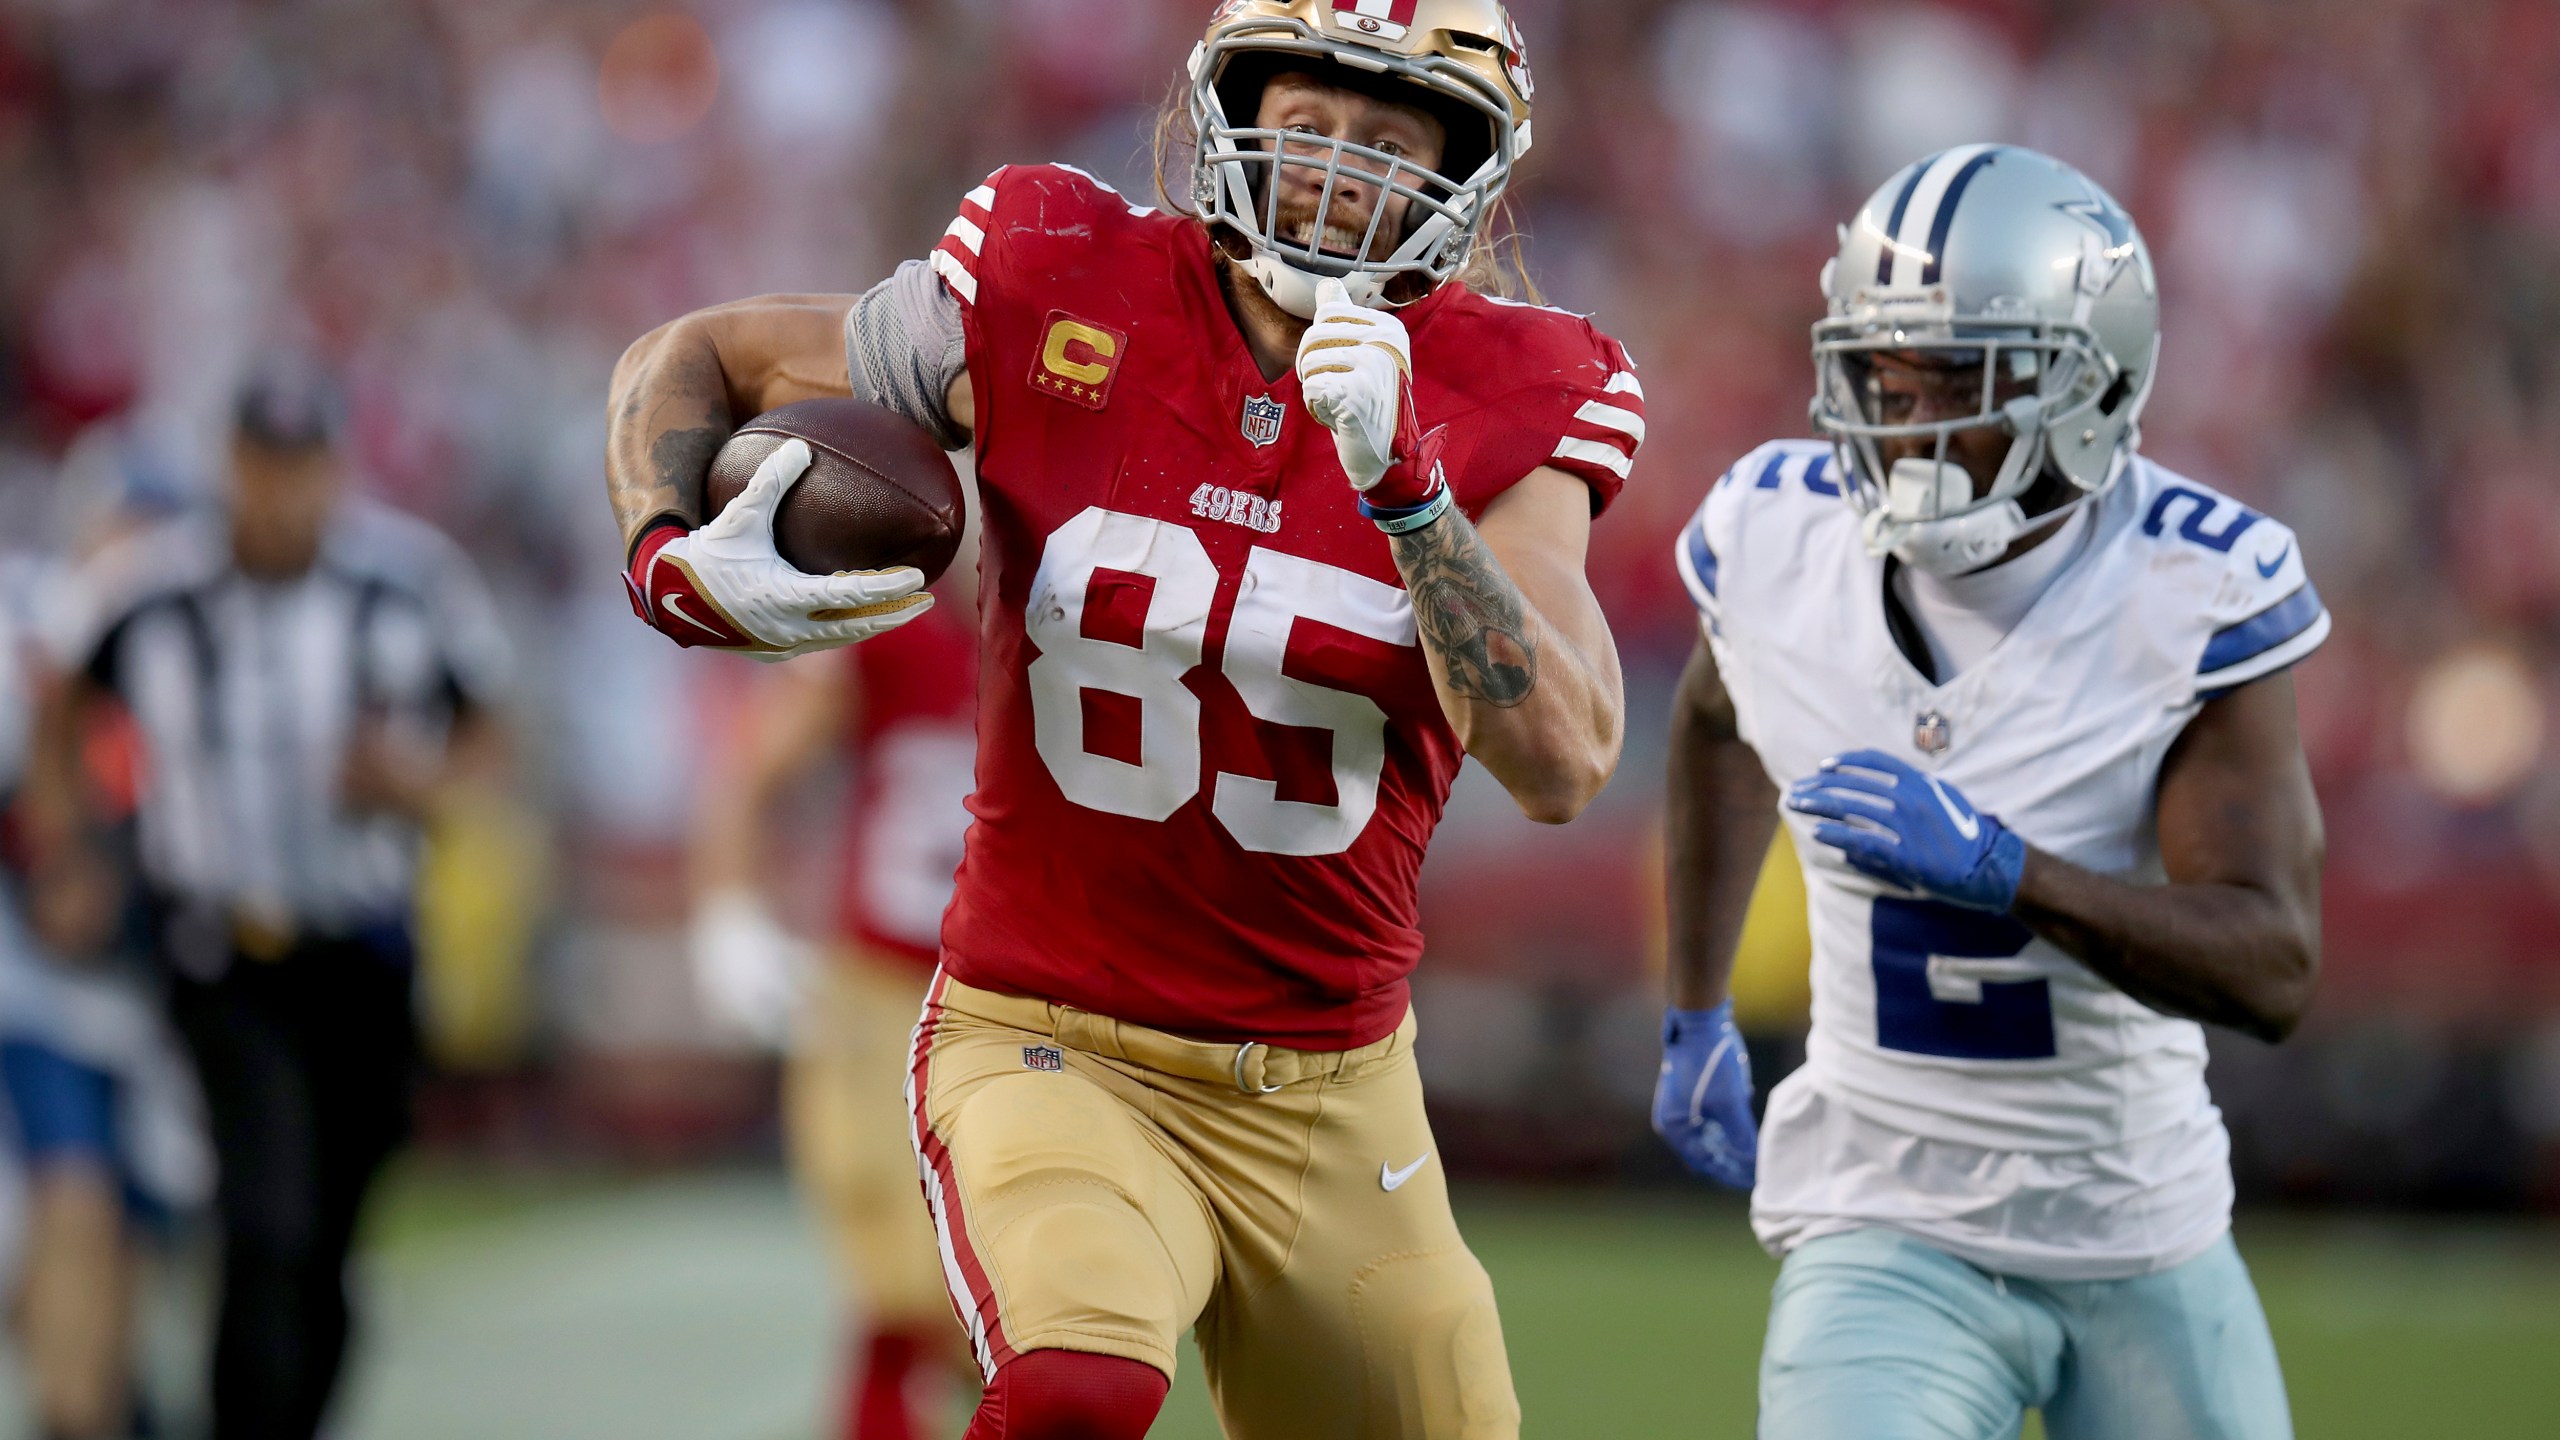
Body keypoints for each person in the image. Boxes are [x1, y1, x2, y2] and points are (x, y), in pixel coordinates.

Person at [606, 3, 1641, 1434]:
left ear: (1465, 173)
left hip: (1333, 1089)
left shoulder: (1521, 386)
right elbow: (698, 355)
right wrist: (667, 546)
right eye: (1312, 122)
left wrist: (1409, 493)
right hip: (1052, 1033)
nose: (1341, 170)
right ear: (1229, 115)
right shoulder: (1054, 281)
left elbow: (1566, 759)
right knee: (1075, 1383)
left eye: (1391, 139)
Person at [1656, 144, 2321, 1438]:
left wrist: (2012, 873)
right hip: (1882, 1210)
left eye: (1958, 379)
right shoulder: (1774, 538)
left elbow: (2274, 964)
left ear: (2093, 382)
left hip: (2136, 1218)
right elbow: (1712, 720)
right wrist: (1695, 1011)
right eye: (1878, 375)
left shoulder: (2195, 589)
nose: (1904, 420)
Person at [28, 364, 512, 1440]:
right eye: (263, 465)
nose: (283, 492)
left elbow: (489, 732)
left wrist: (418, 785)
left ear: (335, 469)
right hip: (223, 950)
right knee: (268, 1219)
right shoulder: (151, 591)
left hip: (367, 949)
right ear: (230, 466)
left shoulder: (407, 580)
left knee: (330, 1235)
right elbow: (60, 706)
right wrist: (71, 854)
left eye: (303, 467)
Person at [688, 578, 980, 1440]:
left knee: (1015, 1294)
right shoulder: (893, 636)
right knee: (896, 1278)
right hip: (879, 993)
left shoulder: (1073, 639)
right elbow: (751, 767)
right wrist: (728, 913)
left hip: (1012, 1003)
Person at [0, 544, 212, 1440]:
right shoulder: (49, 627)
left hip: (156, 991)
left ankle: (110, 1400)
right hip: (46, 994)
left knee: (139, 1222)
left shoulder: (191, 627)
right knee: (76, 1206)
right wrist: (60, 858)